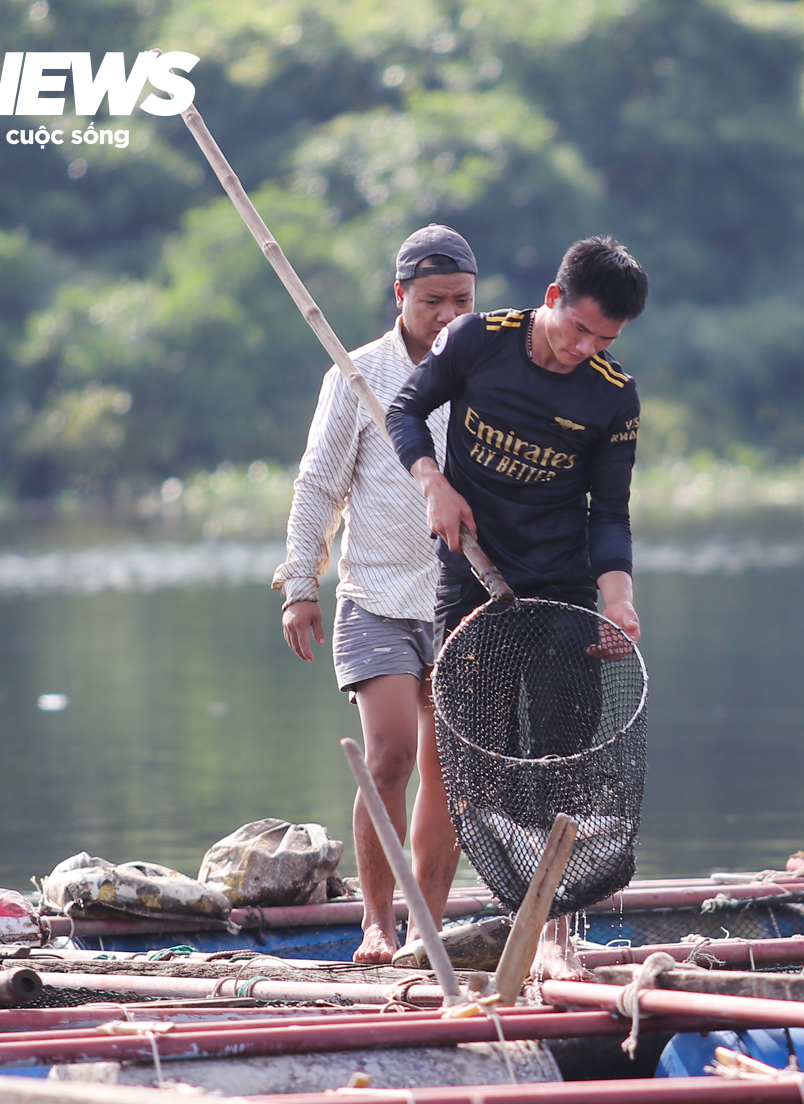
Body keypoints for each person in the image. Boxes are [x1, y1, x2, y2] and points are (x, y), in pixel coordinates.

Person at [272, 224, 478, 963]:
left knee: (449, 769)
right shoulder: (355, 374)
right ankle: (376, 921)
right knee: (389, 754)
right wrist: (301, 584)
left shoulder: (485, 370)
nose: (447, 315)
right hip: (376, 594)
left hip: (461, 598)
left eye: (461, 301)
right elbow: (319, 486)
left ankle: (426, 928)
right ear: (400, 296)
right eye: (432, 301)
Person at [383, 236, 647, 654]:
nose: (585, 349)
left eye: (605, 340)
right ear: (553, 296)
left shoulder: (614, 396)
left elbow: (610, 513)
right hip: (471, 575)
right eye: (580, 328)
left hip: (562, 590)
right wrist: (435, 486)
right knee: (464, 698)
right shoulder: (476, 339)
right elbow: (404, 411)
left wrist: (619, 602)